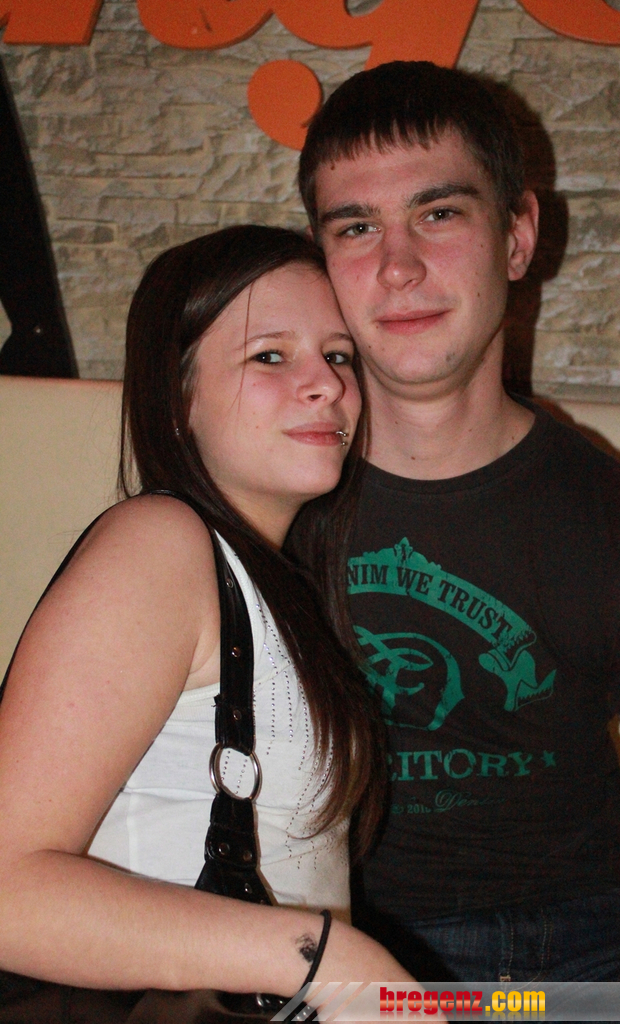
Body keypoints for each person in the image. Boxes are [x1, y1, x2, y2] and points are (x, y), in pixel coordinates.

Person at [292, 61, 620, 982]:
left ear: (517, 235)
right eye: (356, 227)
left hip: (582, 947)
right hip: (336, 946)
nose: (397, 267)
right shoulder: (265, 508)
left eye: (437, 213)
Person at [0, 225, 417, 1004]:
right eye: (270, 356)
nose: (326, 385)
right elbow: (6, 891)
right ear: (179, 396)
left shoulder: (271, 583)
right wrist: (330, 962)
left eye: (338, 356)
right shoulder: (159, 544)